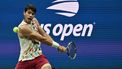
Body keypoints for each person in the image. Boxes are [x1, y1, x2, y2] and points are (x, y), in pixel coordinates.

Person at [15, 4, 66, 69]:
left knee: (47, 67)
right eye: (29, 13)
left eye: (33, 14)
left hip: (38, 57)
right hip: (25, 59)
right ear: (24, 13)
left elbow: (44, 34)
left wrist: (58, 46)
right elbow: (41, 39)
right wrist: (58, 46)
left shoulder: (35, 21)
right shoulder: (23, 27)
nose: (30, 15)